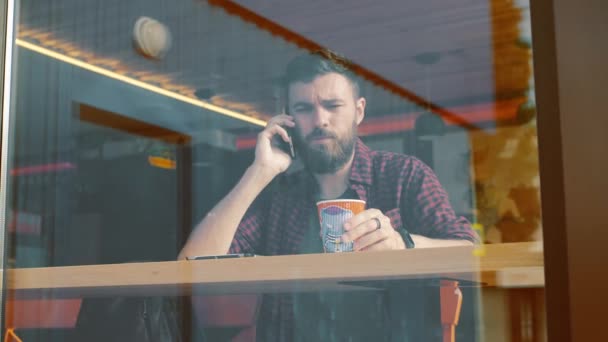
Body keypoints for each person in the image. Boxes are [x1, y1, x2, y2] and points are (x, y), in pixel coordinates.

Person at [179, 50, 477, 341]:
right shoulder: (279, 196)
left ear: (359, 111)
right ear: (289, 118)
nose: (320, 120)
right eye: (304, 108)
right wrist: (259, 172)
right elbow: (192, 266)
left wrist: (404, 243)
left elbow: (471, 252)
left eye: (333, 105)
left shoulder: (403, 176)